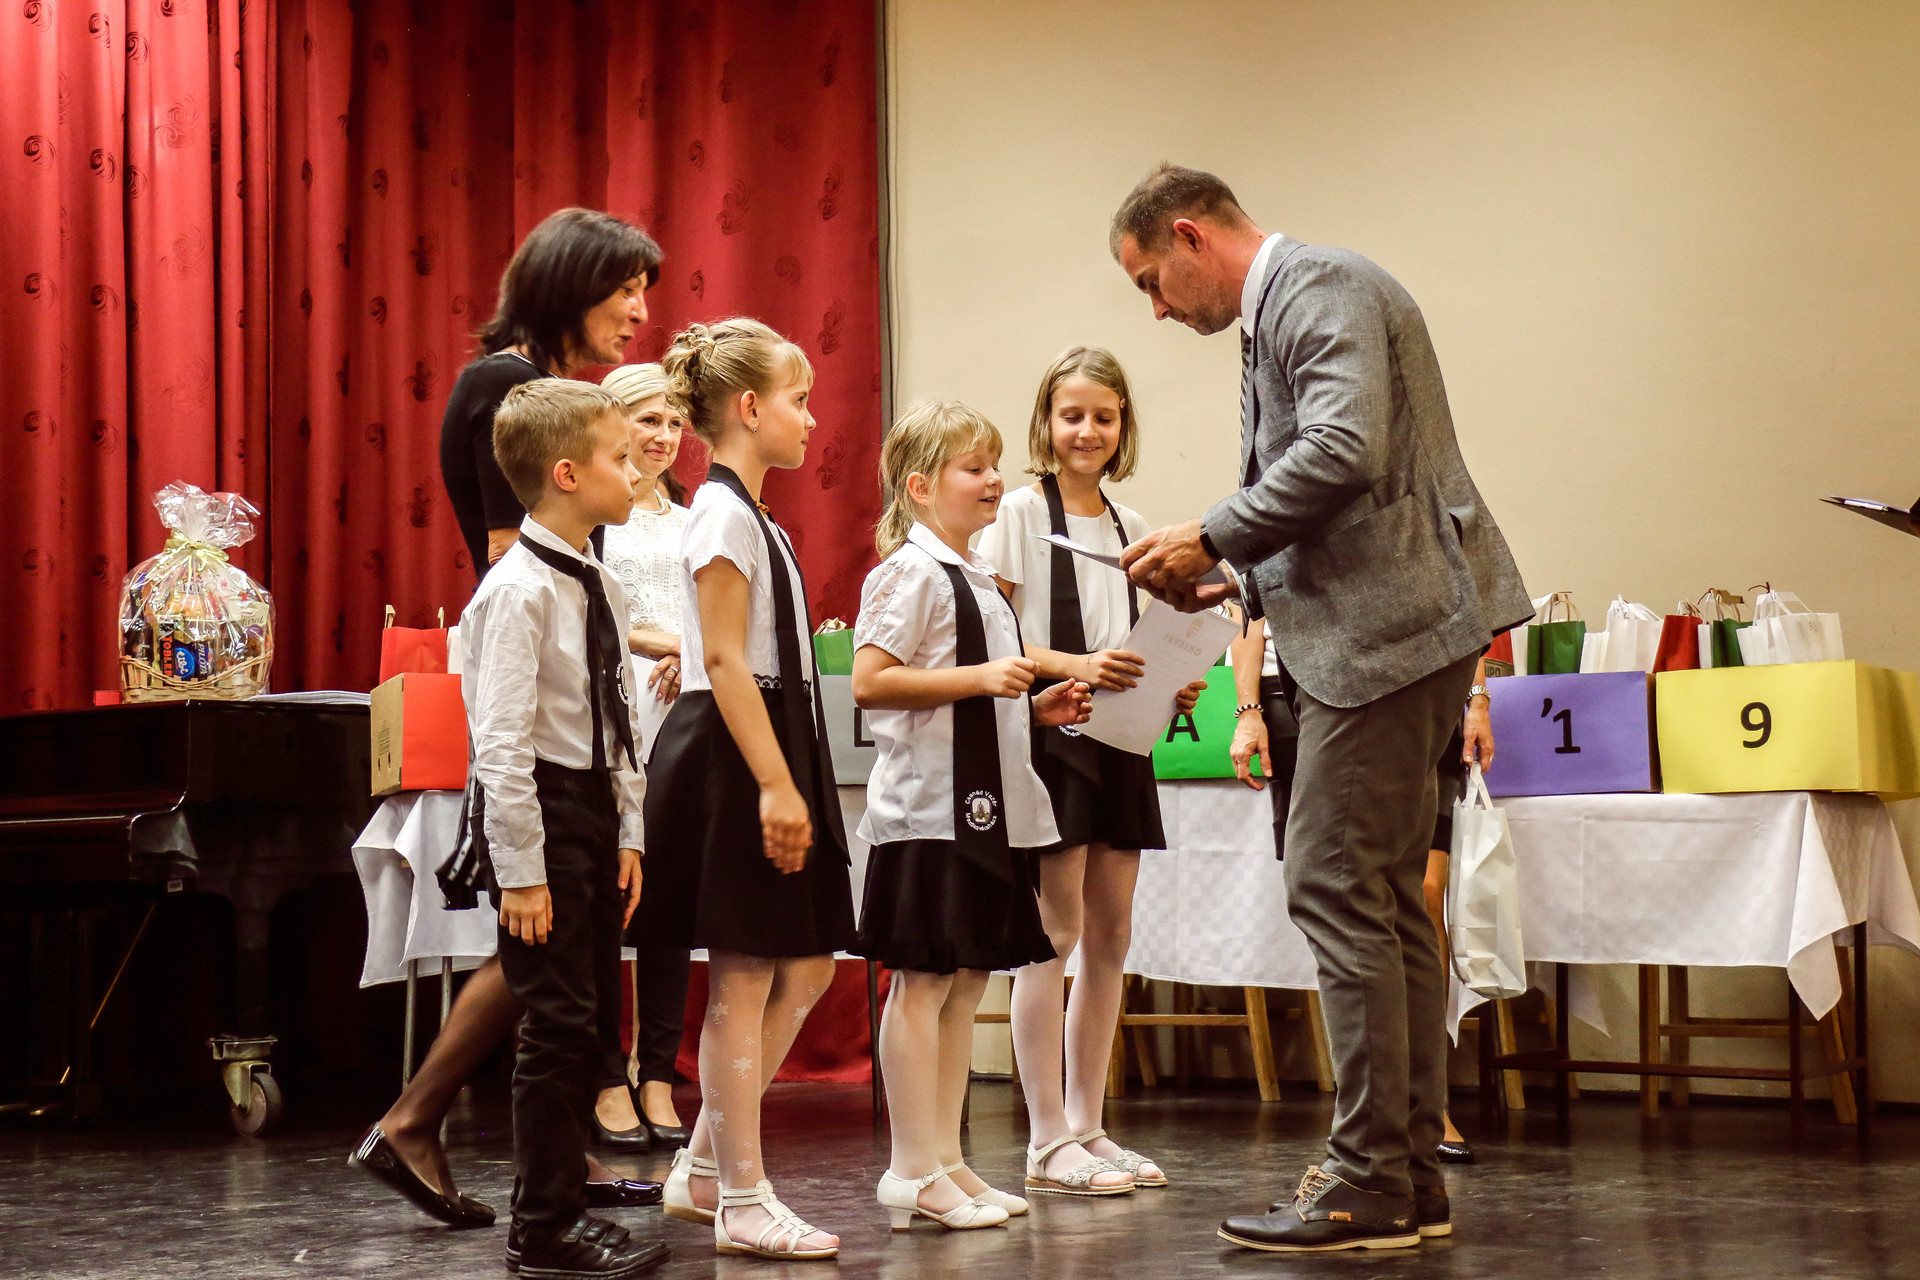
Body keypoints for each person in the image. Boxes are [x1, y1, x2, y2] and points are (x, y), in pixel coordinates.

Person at [1110, 164, 1532, 1252]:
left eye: (1151, 281)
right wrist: (1230, 574)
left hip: (1384, 636)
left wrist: (1211, 533)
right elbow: (1336, 484)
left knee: (1336, 882)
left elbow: (1347, 449)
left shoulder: (1318, 286)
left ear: (1191, 235)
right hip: (1390, 628)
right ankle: (1404, 1176)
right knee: (1381, 898)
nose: (1155, 309)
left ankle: (1364, 1181)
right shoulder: (1291, 309)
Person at [353, 208, 664, 1225]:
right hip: (533, 712)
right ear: (574, 282)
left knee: (555, 957)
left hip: (566, 700)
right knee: (543, 950)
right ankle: (419, 1122)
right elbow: (514, 560)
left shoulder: (543, 391)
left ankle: (537, 1156)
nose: (639, 311)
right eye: (626, 288)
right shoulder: (505, 388)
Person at [642, 319, 856, 1260]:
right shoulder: (722, 514)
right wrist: (773, 781)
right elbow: (725, 659)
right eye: (799, 401)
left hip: (775, 735)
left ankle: (700, 1165)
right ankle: (740, 1196)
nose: (811, 420)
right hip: (737, 749)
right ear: (749, 407)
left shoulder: (755, 517)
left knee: (807, 965)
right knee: (746, 973)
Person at [852, 399, 1091, 1230]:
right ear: (921, 487)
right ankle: (910, 1167)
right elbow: (872, 680)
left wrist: (1034, 708)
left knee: (964, 983)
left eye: (995, 465)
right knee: (923, 984)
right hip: (929, 813)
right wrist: (983, 681)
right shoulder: (910, 572)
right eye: (974, 468)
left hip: (986, 813)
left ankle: (947, 1160)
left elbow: (978, 698)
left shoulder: (977, 575)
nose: (994, 480)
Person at [976, 347, 1202, 1196]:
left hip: (1120, 742)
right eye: (1072, 415)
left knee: (1110, 937)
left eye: (1103, 416)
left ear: (1122, 426)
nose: (1087, 431)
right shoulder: (1017, 513)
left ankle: (1088, 1125)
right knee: (1053, 934)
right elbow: (995, 636)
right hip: (1053, 738)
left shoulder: (1127, 522)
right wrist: (1081, 664)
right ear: (1047, 421)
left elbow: (1132, 639)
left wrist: (1167, 680)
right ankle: (1045, 1139)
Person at [461, 378, 666, 1277]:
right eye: (621, 457)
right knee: (554, 1023)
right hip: (538, 810)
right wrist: (521, 871)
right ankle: (541, 1228)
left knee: (586, 1020)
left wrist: (629, 829)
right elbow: (501, 745)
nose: (637, 470)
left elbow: (617, 718)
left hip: (589, 809)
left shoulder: (600, 581)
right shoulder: (517, 591)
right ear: (568, 474)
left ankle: (568, 1206)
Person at [1230, 627, 1493, 1162]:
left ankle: (1387, 1142)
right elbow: (1251, 608)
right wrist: (1248, 708)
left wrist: (1478, 697)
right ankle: (1397, 1133)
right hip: (1306, 688)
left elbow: (1469, 600)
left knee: (1404, 895)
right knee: (1354, 897)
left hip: (1401, 678)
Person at [598, 363, 694, 1150]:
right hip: (609, 716)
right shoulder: (594, 515)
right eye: (648, 420)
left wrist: (691, 651)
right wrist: (658, 640)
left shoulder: (695, 518)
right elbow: (585, 610)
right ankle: (602, 1075)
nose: (664, 436)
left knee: (668, 902)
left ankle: (657, 1071)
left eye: (674, 422)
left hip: (683, 717)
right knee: (606, 900)